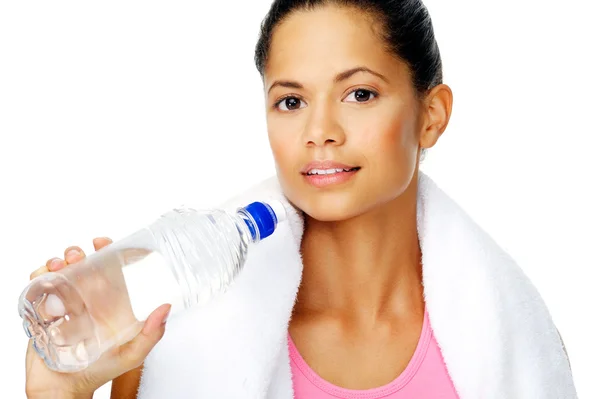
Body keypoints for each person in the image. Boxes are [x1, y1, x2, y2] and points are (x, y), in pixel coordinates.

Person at [25, 1, 576, 398]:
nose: (320, 131)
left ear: (431, 116)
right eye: (290, 102)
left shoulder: (513, 345)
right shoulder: (173, 343)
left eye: (359, 94)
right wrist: (60, 396)